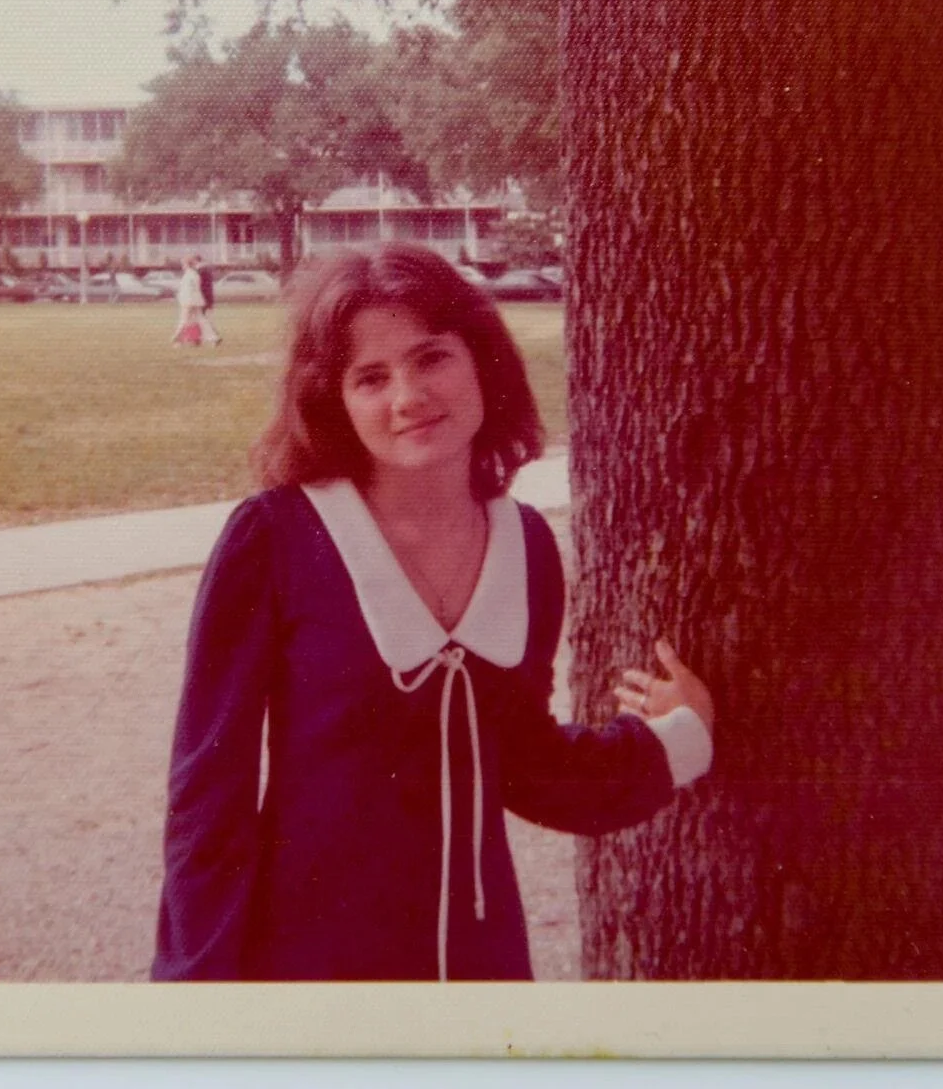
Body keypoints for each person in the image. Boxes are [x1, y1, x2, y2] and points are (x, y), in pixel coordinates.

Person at [152, 242, 714, 981]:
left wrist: (677, 737)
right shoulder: (277, 540)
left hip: (480, 967)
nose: (408, 396)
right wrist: (196, 1003)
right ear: (337, 400)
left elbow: (524, 761)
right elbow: (207, 801)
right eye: (371, 376)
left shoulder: (527, 545)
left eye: (432, 358)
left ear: (481, 361)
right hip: (306, 969)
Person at [196, 258, 222, 345]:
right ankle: (202, 338)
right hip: (208, 298)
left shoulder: (200, 271)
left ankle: (213, 337)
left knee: (203, 319)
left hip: (203, 299)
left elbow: (201, 287)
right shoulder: (207, 271)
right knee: (206, 319)